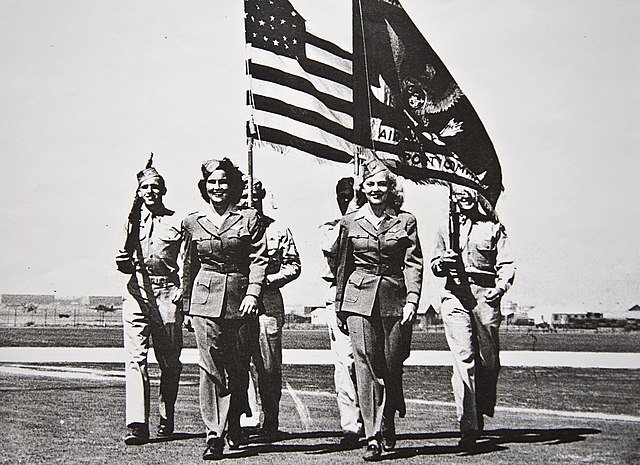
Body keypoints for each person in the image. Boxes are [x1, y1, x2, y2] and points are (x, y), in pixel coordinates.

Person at [333, 158, 423, 461]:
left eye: (381, 184)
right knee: (365, 365)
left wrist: (412, 300)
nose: (375, 189)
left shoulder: (405, 221)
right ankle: (372, 435)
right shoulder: (349, 222)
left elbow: (413, 263)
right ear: (362, 188)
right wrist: (340, 307)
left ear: (390, 189)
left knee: (391, 364)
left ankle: (387, 419)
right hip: (358, 300)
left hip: (394, 300)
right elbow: (342, 267)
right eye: (370, 184)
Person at [181, 158, 268, 460]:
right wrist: (186, 304)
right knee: (210, 368)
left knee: (239, 367)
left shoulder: (249, 218)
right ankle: (214, 434)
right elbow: (189, 266)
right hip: (204, 301)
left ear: (233, 187)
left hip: (241, 301)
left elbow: (259, 259)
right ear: (204, 187)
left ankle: (233, 422)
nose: (217, 188)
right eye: (212, 182)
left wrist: (254, 293)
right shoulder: (192, 222)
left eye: (223, 182)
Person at [430, 185, 515, 450]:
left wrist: (499, 289)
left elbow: (507, 263)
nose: (462, 197)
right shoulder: (445, 227)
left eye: (467, 191)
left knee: (488, 361)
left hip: (485, 294)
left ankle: (481, 405)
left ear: (477, 194)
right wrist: (442, 262)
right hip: (454, 293)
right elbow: (434, 265)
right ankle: (469, 424)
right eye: (457, 192)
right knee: (463, 359)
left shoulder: (492, 227)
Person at [115, 166, 184, 445]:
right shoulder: (131, 223)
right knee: (135, 358)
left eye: (156, 187)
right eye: (145, 188)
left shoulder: (177, 222)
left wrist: (183, 291)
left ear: (164, 190)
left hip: (167, 292)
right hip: (137, 292)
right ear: (139, 192)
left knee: (169, 363)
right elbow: (124, 260)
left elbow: (190, 261)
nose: (150, 192)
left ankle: (166, 417)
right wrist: (122, 262)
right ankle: (137, 424)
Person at [246, 179, 301, 438]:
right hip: (235, 302)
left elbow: (294, 265)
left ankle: (270, 421)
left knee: (268, 366)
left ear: (262, 196)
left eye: (254, 196)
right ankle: (239, 421)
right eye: (244, 195)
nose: (249, 201)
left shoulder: (278, 230)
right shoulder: (230, 228)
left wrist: (267, 280)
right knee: (236, 364)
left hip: (267, 302)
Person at [318, 177, 363, 446]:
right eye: (343, 196)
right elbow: (332, 246)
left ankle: (378, 419)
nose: (347, 200)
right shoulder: (331, 227)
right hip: (337, 293)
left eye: (352, 195)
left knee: (371, 361)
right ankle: (350, 425)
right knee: (345, 363)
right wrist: (351, 213)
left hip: (369, 294)